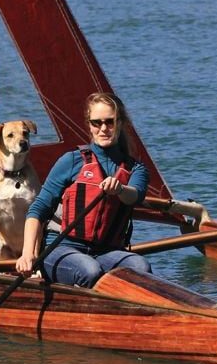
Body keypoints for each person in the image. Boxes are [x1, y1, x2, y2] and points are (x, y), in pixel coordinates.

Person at [15, 92, 152, 287]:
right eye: (97, 123)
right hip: (61, 250)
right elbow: (38, 210)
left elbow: (135, 196)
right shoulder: (71, 161)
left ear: (120, 123)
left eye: (110, 122)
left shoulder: (135, 169)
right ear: (89, 125)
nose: (103, 128)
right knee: (89, 271)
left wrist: (120, 189)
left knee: (141, 266)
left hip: (108, 252)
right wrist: (27, 255)